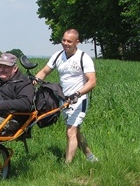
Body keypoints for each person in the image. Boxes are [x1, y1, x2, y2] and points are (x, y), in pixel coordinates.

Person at [34, 28, 98, 164]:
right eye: (64, 40)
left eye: (69, 41)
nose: (65, 43)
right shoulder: (58, 56)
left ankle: (67, 166)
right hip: (64, 100)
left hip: (79, 100)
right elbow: (44, 71)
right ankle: (90, 157)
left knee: (70, 132)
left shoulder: (83, 58)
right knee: (75, 132)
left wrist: (78, 94)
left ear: (77, 42)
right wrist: (33, 82)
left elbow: (92, 81)